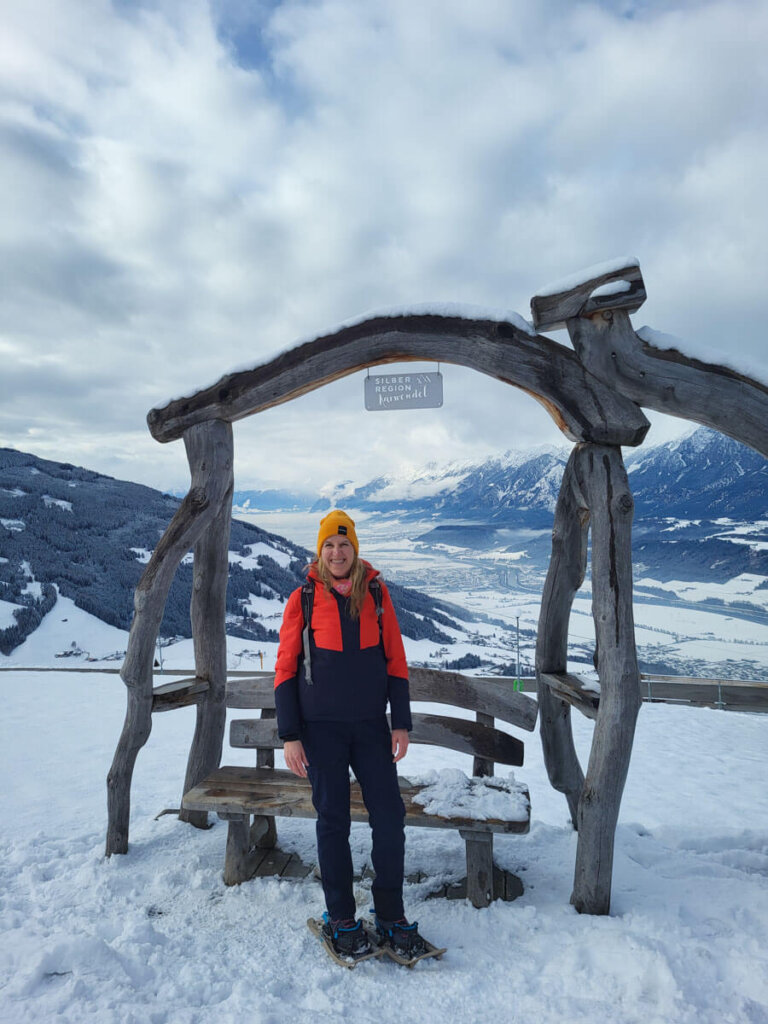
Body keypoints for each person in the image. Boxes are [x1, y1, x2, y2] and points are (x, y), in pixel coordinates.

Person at [274, 509, 427, 961]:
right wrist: (290, 735)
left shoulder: (376, 594)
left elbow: (395, 660)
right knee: (333, 819)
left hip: (370, 727)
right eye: (329, 545)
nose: (337, 553)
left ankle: (390, 913)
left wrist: (400, 722)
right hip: (320, 730)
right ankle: (340, 916)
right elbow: (285, 670)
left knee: (389, 815)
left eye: (344, 545)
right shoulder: (303, 599)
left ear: (355, 550)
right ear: (319, 551)